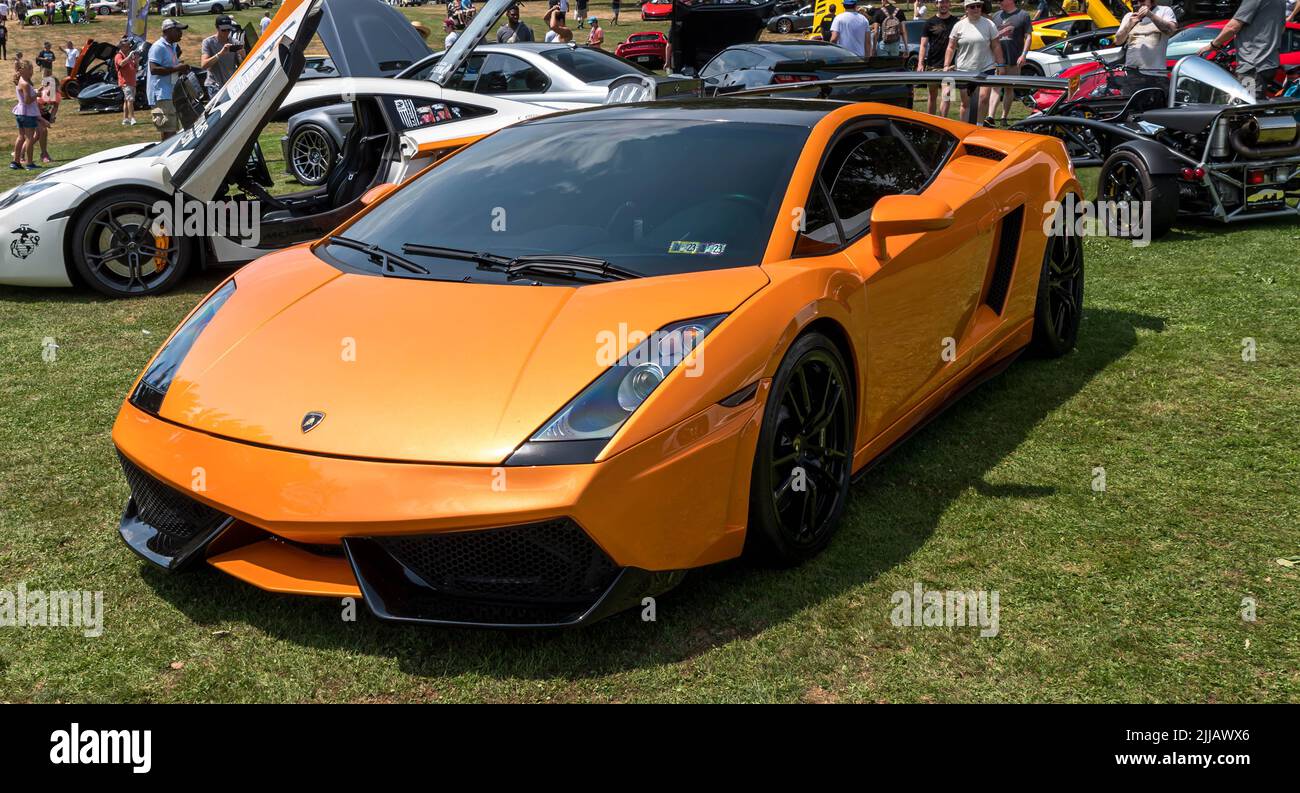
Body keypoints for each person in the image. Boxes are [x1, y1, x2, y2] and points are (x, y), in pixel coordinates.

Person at [1200, 0, 1284, 98]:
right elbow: (1282, 28)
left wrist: (1212, 45)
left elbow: (1232, 27)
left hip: (1253, 65)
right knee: (1257, 104)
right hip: (1269, 62)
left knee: (1248, 105)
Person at [945, 0, 1001, 123]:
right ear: (966, 9)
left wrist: (1000, 64)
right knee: (966, 102)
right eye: (972, 6)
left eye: (978, 6)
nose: (976, 9)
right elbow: (951, 47)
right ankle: (964, 128)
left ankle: (979, 126)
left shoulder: (989, 24)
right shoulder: (959, 26)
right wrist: (946, 65)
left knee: (983, 98)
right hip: (964, 70)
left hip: (986, 67)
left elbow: (996, 45)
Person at [988, 0, 1031, 124]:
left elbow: (1028, 36)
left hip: (1014, 59)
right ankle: (990, 116)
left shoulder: (1023, 15)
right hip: (997, 59)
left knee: (1008, 88)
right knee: (995, 87)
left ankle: (1004, 117)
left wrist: (1023, 55)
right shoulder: (996, 16)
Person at [147, 17, 190, 141]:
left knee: (168, 130)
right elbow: (153, 69)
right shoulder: (158, 47)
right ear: (169, 31)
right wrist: (177, 68)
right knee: (169, 132)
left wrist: (179, 68)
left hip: (168, 93)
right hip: (160, 94)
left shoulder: (172, 46)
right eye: (178, 30)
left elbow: (169, 65)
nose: (181, 33)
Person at [1114, 0, 1177, 74]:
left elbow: (1171, 30)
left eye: (1142, 0)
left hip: (1155, 72)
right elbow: (1118, 41)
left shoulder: (1164, 10)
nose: (1139, 3)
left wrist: (1151, 15)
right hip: (1131, 71)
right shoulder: (1129, 16)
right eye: (1134, 1)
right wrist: (1129, 25)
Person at [918, 0, 957, 116]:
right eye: (940, 2)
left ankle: (942, 121)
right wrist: (920, 63)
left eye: (946, 2)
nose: (943, 5)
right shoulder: (929, 22)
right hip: (932, 64)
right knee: (932, 95)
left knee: (948, 95)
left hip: (950, 65)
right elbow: (923, 45)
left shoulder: (956, 22)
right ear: (936, 4)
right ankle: (931, 122)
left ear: (950, 4)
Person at [200, 15, 242, 96]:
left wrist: (243, 56)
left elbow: (241, 65)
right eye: (223, 30)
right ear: (217, 28)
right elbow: (204, 65)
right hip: (214, 86)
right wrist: (220, 54)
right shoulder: (208, 42)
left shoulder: (234, 42)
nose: (227, 32)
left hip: (230, 85)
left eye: (229, 29)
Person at [11, 58, 40, 169]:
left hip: (20, 112)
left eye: (32, 69)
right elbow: (28, 101)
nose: (31, 72)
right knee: (29, 138)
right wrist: (37, 95)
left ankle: (16, 162)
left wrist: (36, 92)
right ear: (22, 70)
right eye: (29, 69)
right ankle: (29, 163)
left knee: (21, 137)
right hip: (27, 113)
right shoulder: (26, 84)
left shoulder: (21, 81)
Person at [114, 37, 138, 126]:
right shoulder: (118, 56)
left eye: (129, 46)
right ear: (122, 47)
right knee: (130, 100)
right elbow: (121, 63)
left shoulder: (129, 55)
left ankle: (125, 119)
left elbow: (135, 69)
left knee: (127, 100)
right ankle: (132, 118)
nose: (128, 47)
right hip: (125, 82)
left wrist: (136, 60)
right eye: (126, 46)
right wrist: (129, 56)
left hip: (132, 81)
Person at [35, 70, 56, 162]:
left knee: (41, 133)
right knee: (41, 132)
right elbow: (35, 105)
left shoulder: (52, 91)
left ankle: (44, 154)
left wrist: (51, 116)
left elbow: (54, 105)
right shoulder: (38, 92)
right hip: (35, 114)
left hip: (43, 114)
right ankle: (44, 154)